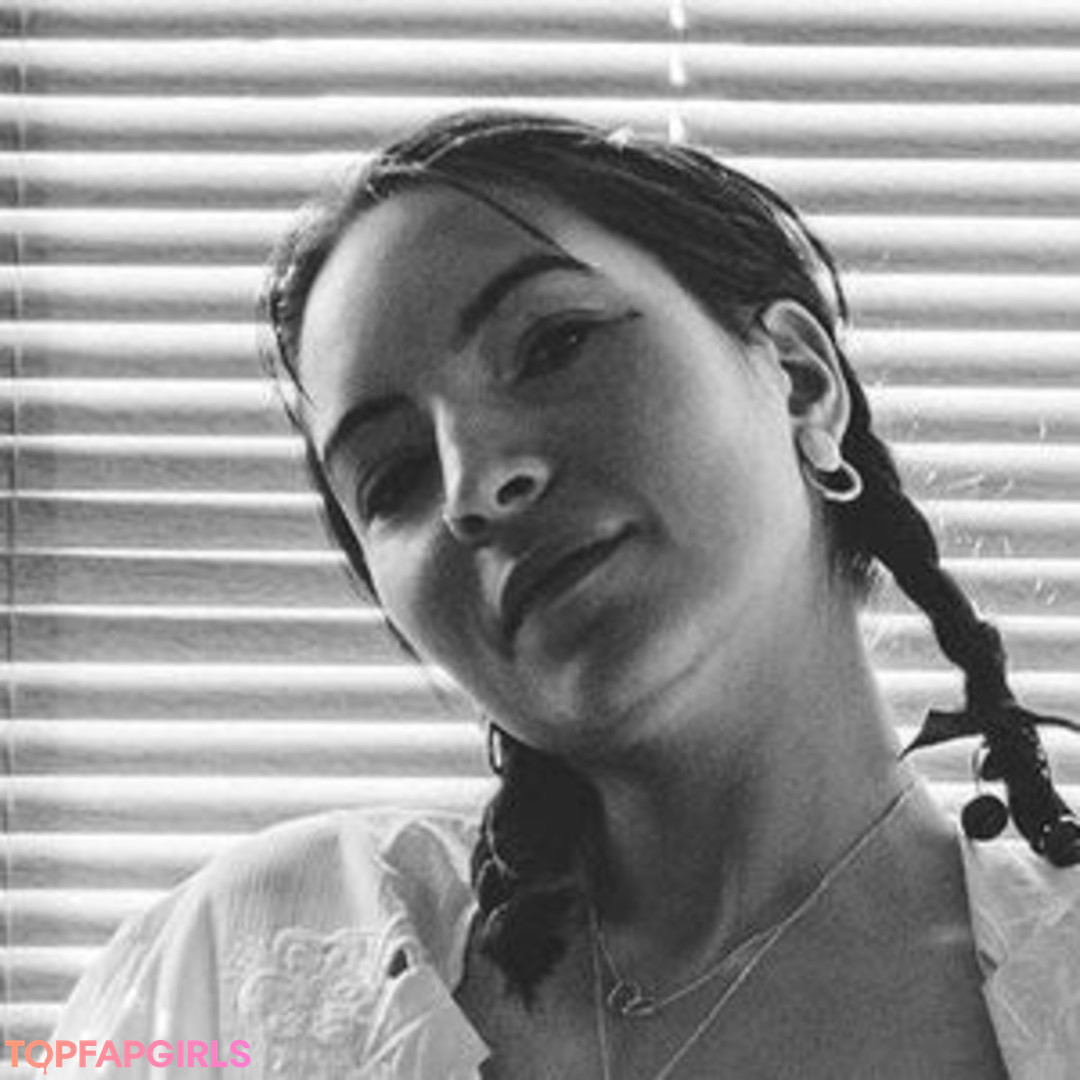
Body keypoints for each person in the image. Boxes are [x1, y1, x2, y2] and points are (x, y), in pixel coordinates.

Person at [51, 110, 1080, 1078]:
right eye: (396, 475)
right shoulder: (233, 967)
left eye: (552, 346)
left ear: (801, 381)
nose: (473, 487)